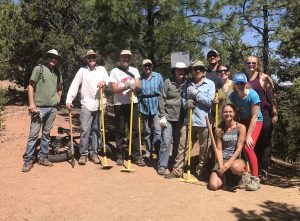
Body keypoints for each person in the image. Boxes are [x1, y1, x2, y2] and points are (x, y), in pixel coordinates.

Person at [164, 60, 215, 179]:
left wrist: (196, 93)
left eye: (200, 69)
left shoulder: (210, 84)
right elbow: (182, 99)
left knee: (204, 149)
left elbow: (209, 102)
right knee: (183, 146)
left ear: (204, 71)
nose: (198, 70)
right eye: (195, 68)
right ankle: (177, 170)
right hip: (189, 120)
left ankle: (200, 171)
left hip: (204, 121)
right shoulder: (187, 83)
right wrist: (186, 104)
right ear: (191, 71)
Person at [66, 49, 109, 165]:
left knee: (97, 130)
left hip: (100, 104)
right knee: (85, 129)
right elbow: (74, 85)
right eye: (89, 57)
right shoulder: (82, 71)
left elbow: (108, 82)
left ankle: (94, 153)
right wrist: (69, 99)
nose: (91, 59)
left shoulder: (102, 70)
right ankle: (83, 154)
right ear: (86, 59)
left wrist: (104, 83)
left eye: (93, 57)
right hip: (86, 104)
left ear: (96, 59)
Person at [22, 49, 63, 172]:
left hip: (52, 109)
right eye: (51, 57)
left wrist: (58, 100)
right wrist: (31, 104)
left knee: (46, 134)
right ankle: (28, 159)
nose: (53, 59)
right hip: (39, 108)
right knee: (34, 134)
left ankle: (43, 157)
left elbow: (60, 87)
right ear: (47, 57)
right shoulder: (38, 69)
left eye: (55, 58)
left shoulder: (57, 72)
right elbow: (30, 86)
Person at [109, 50, 145, 167]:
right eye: (124, 57)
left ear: (130, 58)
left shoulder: (134, 70)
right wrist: (126, 86)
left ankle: (136, 156)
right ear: (120, 57)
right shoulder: (114, 71)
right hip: (119, 104)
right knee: (120, 130)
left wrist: (135, 86)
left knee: (134, 130)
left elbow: (138, 85)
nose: (126, 59)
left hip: (132, 103)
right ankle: (120, 155)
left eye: (128, 57)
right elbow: (114, 89)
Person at [246, 55, 278, 182]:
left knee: (265, 142)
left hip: (265, 114)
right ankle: (255, 169)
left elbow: (272, 97)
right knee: (254, 142)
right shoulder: (246, 79)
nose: (251, 65)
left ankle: (263, 170)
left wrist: (275, 113)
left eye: (253, 63)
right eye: (249, 63)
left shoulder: (264, 78)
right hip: (252, 115)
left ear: (257, 64)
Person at [229, 73, 263, 191]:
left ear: (245, 83)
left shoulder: (253, 95)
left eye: (242, 83)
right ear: (234, 85)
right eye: (237, 83)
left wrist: (248, 136)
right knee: (242, 148)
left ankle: (255, 179)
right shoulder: (233, 96)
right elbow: (235, 111)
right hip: (243, 121)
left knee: (249, 147)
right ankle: (246, 176)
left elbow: (255, 116)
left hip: (256, 122)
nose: (240, 85)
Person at [157, 62, 188, 176]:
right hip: (168, 117)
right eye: (178, 70)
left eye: (182, 70)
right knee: (166, 141)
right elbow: (162, 99)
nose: (180, 72)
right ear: (174, 71)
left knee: (178, 142)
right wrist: (162, 115)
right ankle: (162, 165)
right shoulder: (168, 82)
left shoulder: (187, 83)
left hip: (181, 118)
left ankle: (174, 164)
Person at [209, 104, 246, 191]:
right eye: (225, 112)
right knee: (213, 186)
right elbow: (218, 148)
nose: (228, 114)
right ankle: (226, 180)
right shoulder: (219, 129)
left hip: (235, 160)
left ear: (234, 113)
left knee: (235, 167)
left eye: (230, 112)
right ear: (222, 113)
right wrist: (221, 165)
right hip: (222, 159)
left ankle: (241, 178)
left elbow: (239, 148)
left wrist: (229, 163)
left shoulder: (241, 127)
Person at [137, 59, 163, 159]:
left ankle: (157, 150)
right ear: (142, 67)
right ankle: (148, 151)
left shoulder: (158, 76)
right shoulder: (139, 77)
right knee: (147, 131)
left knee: (157, 130)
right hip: (144, 106)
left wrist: (162, 106)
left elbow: (162, 91)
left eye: (149, 65)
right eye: (145, 66)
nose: (147, 67)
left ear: (151, 66)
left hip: (156, 106)